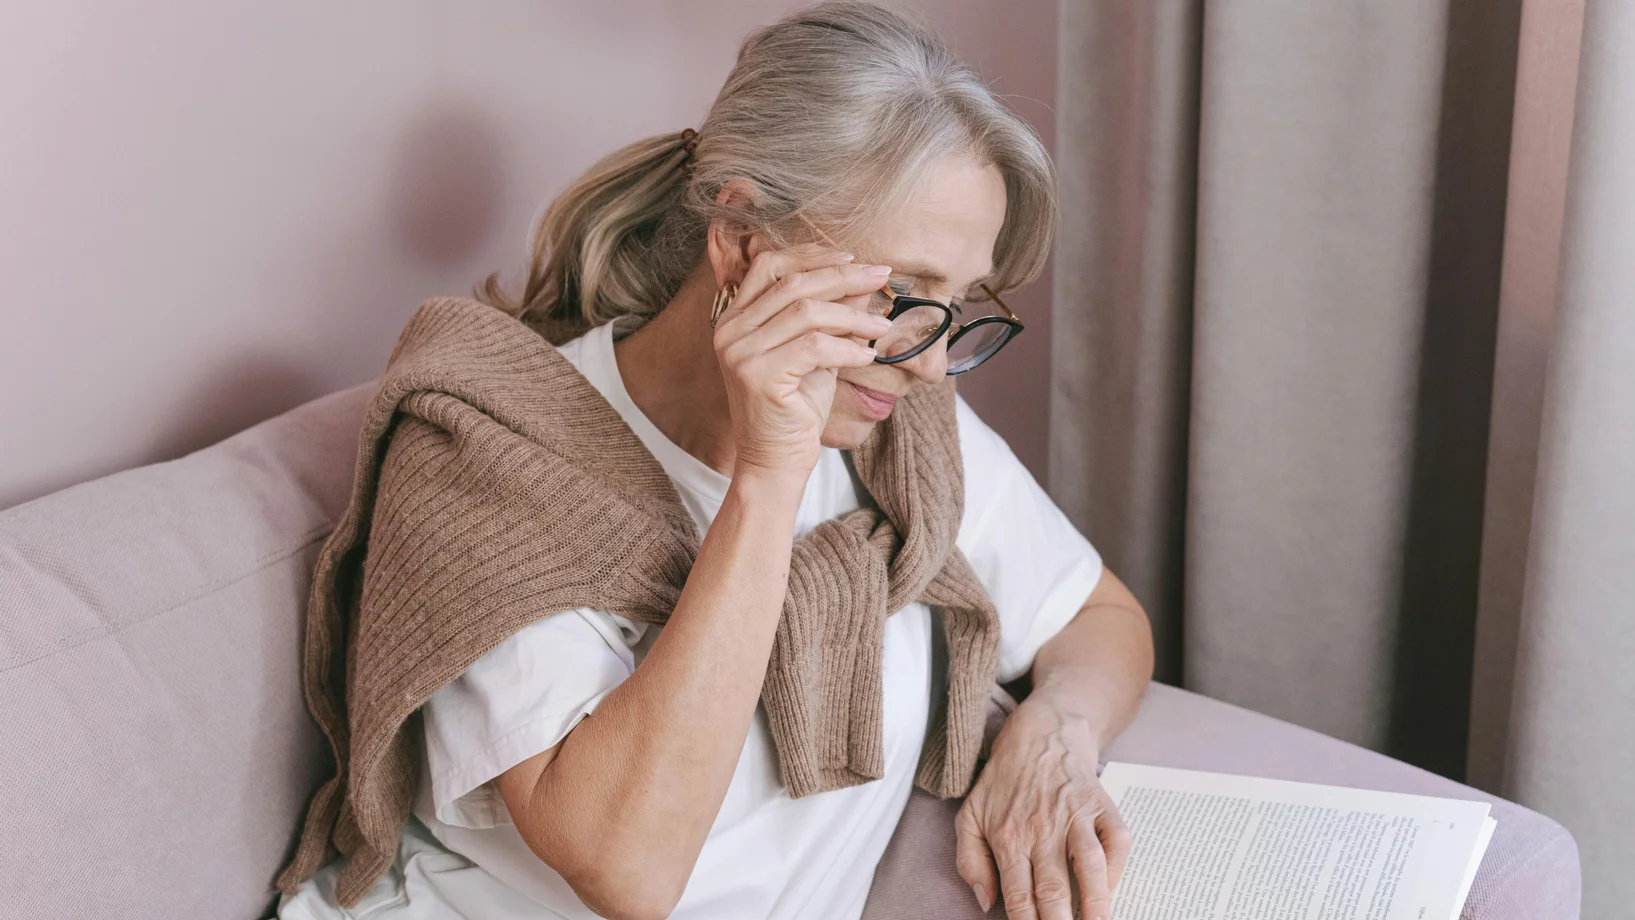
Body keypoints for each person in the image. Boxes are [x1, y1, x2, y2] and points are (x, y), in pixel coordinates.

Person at [277, 4, 1154, 919]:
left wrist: (1054, 731)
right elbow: (631, 871)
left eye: (958, 304)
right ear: (739, 240)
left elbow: (1098, 616)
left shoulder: (898, 426)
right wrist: (768, 480)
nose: (931, 362)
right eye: (899, 293)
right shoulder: (490, 461)